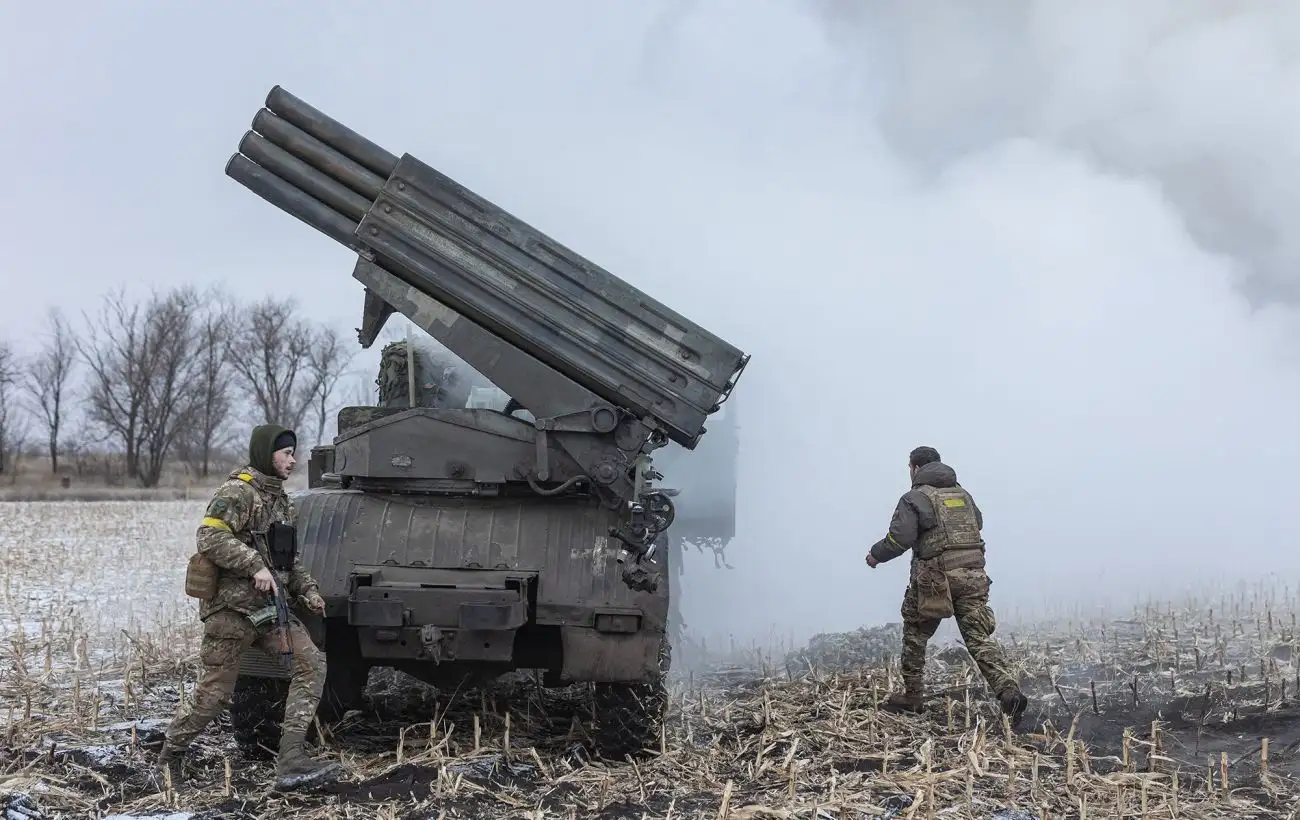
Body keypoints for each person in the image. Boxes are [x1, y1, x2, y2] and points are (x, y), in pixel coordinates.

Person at [155, 424, 342, 791]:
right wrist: (253, 564)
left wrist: (308, 591)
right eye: (285, 453)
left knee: (311, 663)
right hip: (231, 614)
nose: (292, 460)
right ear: (265, 454)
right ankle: (169, 758)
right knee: (212, 697)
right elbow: (209, 536)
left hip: (272, 612)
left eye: (292, 453)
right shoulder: (238, 492)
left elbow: (290, 561)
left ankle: (291, 756)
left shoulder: (283, 502)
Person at [865, 446, 1028, 722]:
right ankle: (1008, 691)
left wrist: (875, 555)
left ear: (915, 468)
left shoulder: (914, 497)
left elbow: (900, 539)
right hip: (973, 576)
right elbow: (978, 522)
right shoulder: (964, 495)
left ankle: (913, 697)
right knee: (978, 638)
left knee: (916, 635)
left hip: (935, 580)